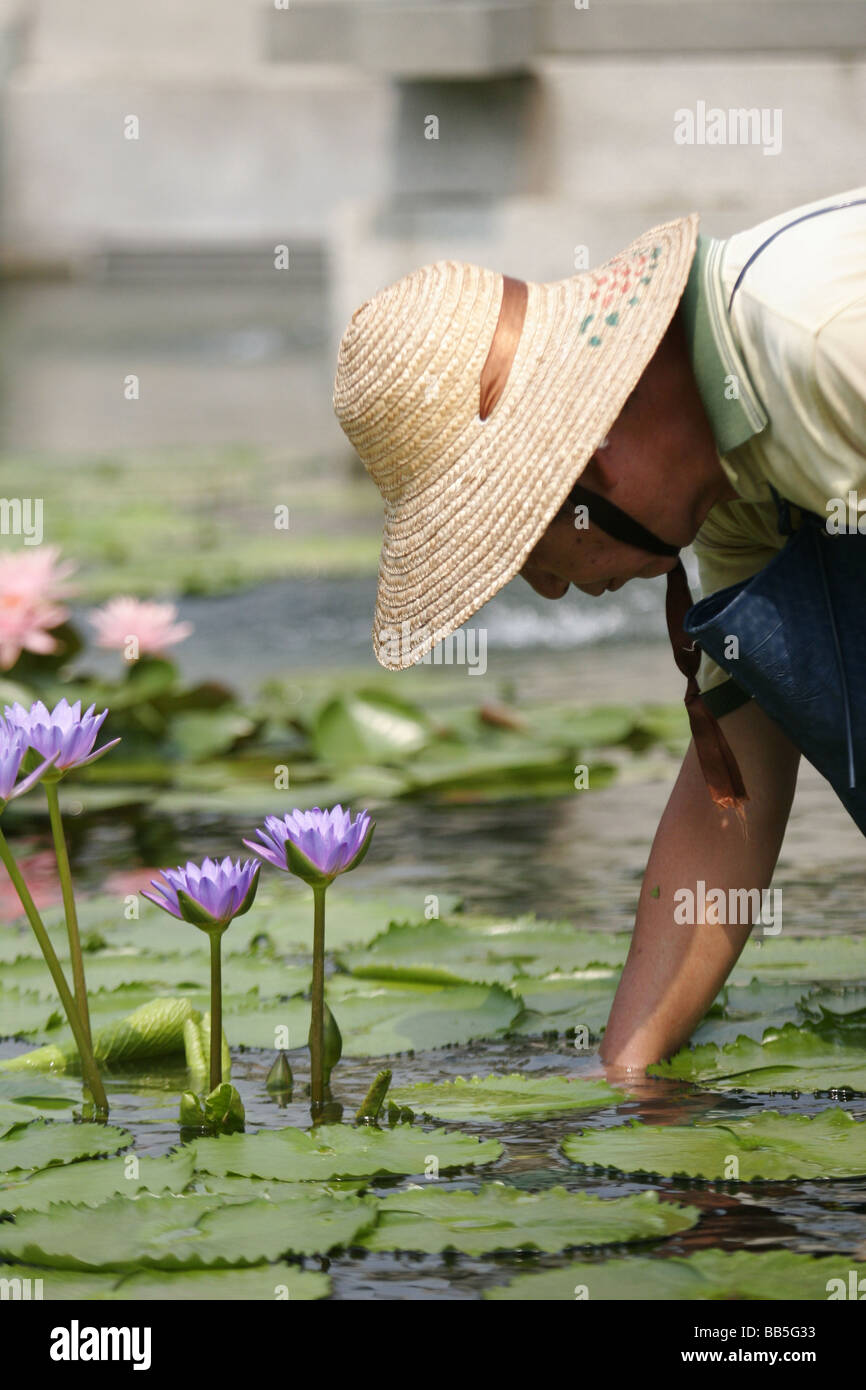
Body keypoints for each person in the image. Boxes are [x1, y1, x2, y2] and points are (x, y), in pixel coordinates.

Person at [332, 187, 866, 1071]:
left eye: (529, 552)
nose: (550, 592)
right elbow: (733, 784)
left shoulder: (824, 345)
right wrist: (627, 1080)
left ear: (587, 465)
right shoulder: (728, 479)